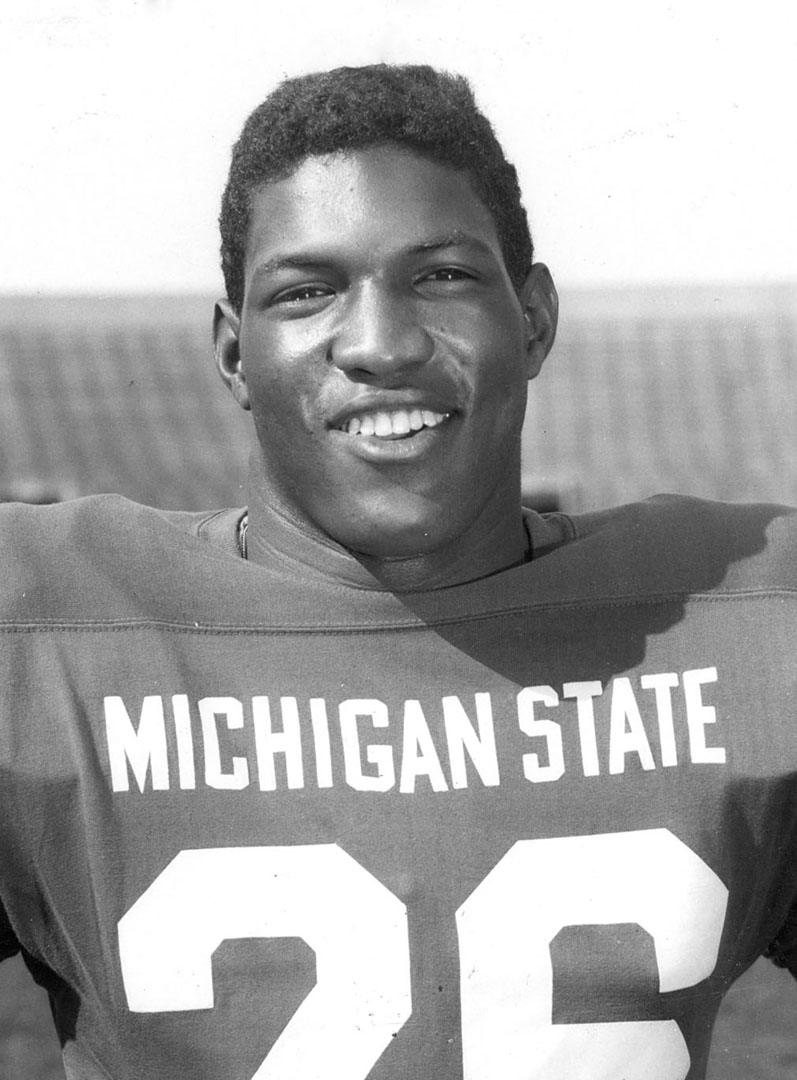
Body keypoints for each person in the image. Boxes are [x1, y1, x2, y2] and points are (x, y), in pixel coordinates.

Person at [0, 63, 795, 1080]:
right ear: (235, 356)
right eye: (306, 291)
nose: (379, 344)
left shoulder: (751, 617)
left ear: (533, 319)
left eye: (442, 277)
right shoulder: (48, 631)